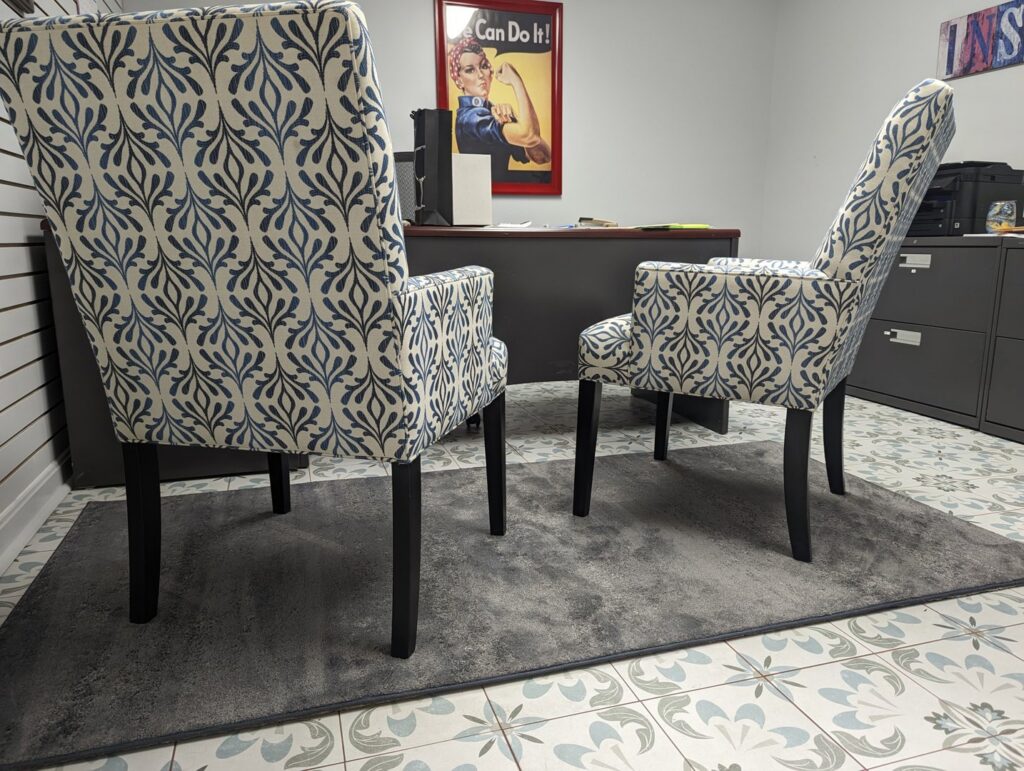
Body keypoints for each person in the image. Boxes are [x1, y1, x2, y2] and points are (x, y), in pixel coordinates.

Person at [448, 35, 551, 182]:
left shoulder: (491, 112)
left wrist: (513, 117)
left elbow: (543, 156)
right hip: (480, 199)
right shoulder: (470, 118)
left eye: (483, 66)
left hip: (504, 199)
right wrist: (516, 81)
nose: (480, 75)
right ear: (458, 80)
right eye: (470, 70)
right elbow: (530, 136)